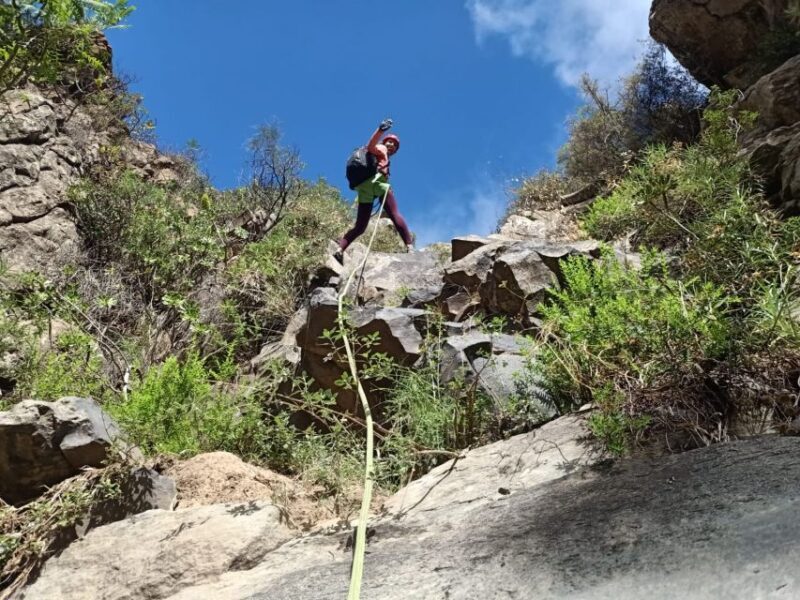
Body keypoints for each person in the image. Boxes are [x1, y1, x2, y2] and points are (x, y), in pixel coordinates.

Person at [335, 118, 414, 264]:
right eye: (390, 142)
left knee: (360, 227)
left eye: (394, 145)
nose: (391, 145)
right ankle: (410, 246)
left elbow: (370, 147)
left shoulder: (375, 155)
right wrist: (380, 130)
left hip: (364, 187)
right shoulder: (381, 148)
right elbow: (371, 145)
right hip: (378, 183)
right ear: (385, 143)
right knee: (394, 214)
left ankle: (340, 249)